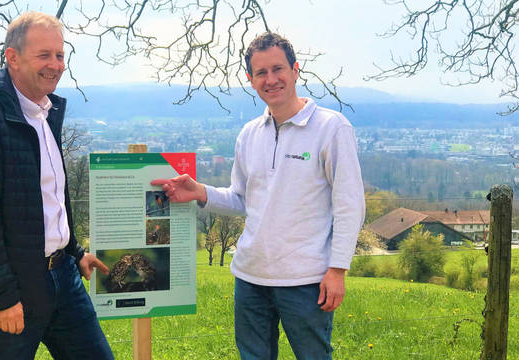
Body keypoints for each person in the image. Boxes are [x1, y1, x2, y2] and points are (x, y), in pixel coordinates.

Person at [152, 32, 365, 360]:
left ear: (296, 70)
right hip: (250, 278)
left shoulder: (332, 128)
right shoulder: (249, 134)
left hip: (306, 281)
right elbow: (241, 199)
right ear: (250, 80)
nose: (271, 79)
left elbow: (350, 205)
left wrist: (338, 269)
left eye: (278, 69)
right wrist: (200, 192)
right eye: (261, 73)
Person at [0, 11, 113, 360]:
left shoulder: (42, 114)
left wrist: (74, 252)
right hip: (12, 287)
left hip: (62, 277)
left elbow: (46, 199)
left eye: (60, 54)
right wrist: (2, 297)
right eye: (44, 55)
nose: (55, 64)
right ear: (12, 58)